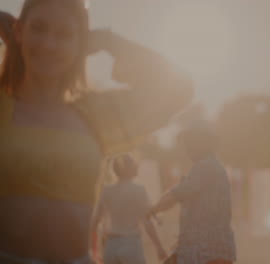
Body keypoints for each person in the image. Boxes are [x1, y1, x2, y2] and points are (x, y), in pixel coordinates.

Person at [0, 0, 192, 263]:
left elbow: (180, 89)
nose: (49, 44)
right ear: (19, 32)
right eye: (39, 29)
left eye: (64, 34)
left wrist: (108, 41)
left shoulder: (97, 115)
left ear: (81, 43)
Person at [148, 122, 236, 264]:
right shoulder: (212, 166)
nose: (187, 149)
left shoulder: (204, 167)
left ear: (201, 144)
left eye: (190, 144)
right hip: (212, 248)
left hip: (206, 251)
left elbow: (176, 194)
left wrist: (153, 208)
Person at [90, 155, 167, 264]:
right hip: (131, 245)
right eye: (134, 165)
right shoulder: (139, 190)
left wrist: (94, 250)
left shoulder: (106, 191)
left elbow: (95, 222)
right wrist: (159, 247)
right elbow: (147, 222)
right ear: (130, 168)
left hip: (111, 247)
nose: (137, 167)